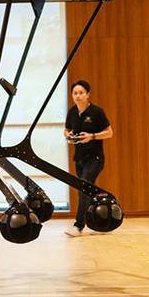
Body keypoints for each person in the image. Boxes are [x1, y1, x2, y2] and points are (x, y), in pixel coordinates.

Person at [63, 80, 113, 237]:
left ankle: (78, 226)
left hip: (95, 158)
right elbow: (66, 130)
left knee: (83, 189)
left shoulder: (97, 112)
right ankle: (103, 220)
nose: (78, 96)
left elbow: (109, 132)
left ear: (87, 95)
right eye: (75, 93)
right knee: (88, 191)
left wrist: (92, 136)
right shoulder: (72, 112)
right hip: (79, 158)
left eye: (81, 93)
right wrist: (68, 136)